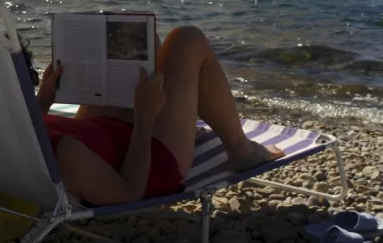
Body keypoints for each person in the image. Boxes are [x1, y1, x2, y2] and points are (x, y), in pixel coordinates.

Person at [37, 26, 283, 206]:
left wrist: (42, 103)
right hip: (150, 162)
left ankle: (181, 125)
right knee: (187, 39)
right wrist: (145, 117)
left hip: (94, 136)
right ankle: (240, 150)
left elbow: (40, 136)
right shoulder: (65, 158)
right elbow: (130, 192)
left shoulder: (6, 133)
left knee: (135, 38)